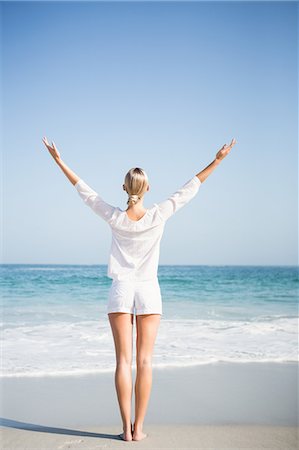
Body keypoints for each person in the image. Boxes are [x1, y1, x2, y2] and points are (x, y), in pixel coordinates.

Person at [42, 136, 237, 441]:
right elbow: (191, 187)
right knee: (145, 361)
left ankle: (125, 430)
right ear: (147, 188)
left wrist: (58, 159)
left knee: (122, 361)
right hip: (148, 290)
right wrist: (218, 159)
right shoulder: (159, 214)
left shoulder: (115, 217)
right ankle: (140, 428)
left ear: (124, 189)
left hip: (121, 289)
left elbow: (84, 191)